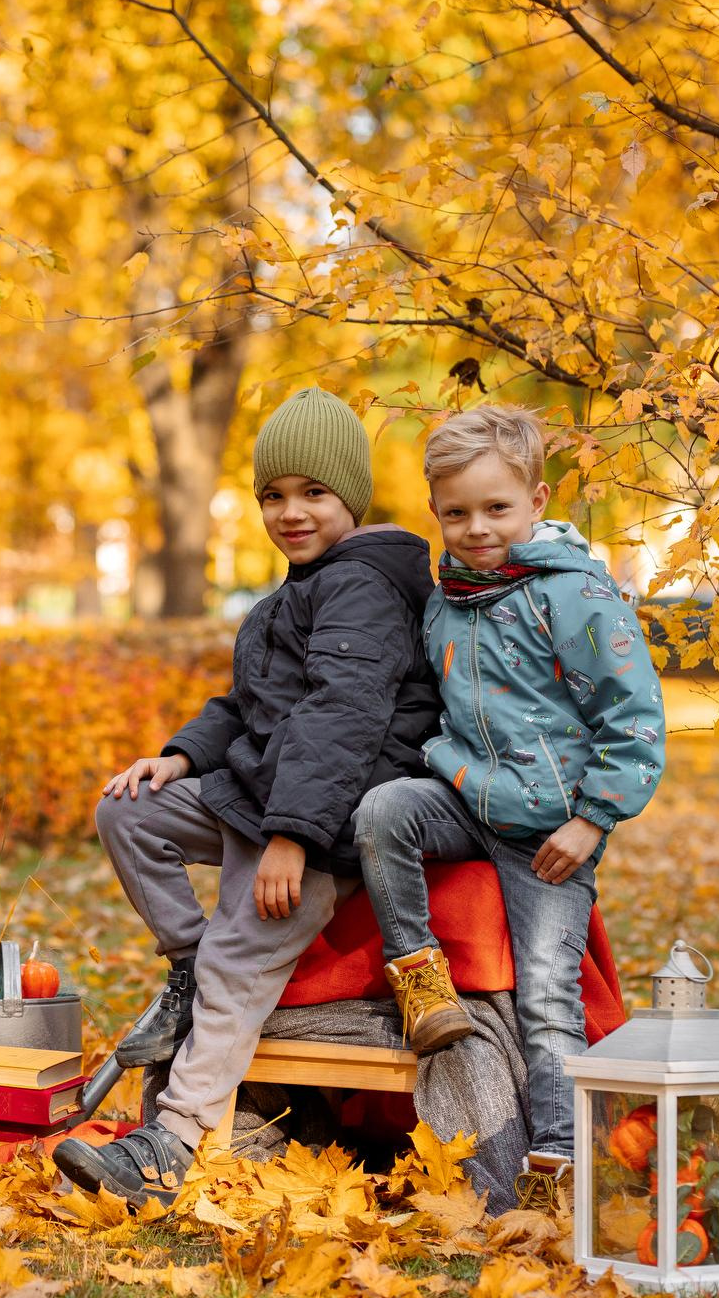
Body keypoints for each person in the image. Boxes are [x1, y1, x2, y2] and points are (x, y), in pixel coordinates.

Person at [52, 387, 442, 1208]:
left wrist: (294, 838)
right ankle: (190, 968)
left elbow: (340, 719)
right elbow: (246, 704)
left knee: (242, 950)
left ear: (351, 498)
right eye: (273, 495)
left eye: (313, 493)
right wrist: (179, 756)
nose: (289, 512)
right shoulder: (295, 593)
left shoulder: (364, 589)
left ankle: (170, 1142)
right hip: (264, 794)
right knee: (126, 810)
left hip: (329, 818)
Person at [353, 403, 665, 1212]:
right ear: (435, 512)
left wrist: (593, 818)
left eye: (496, 507)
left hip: (551, 832)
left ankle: (557, 1160)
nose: (476, 527)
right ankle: (421, 983)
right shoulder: (447, 598)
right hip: (466, 800)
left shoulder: (577, 596)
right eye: (456, 512)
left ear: (537, 498)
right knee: (384, 810)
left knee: (546, 995)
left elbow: (632, 718)